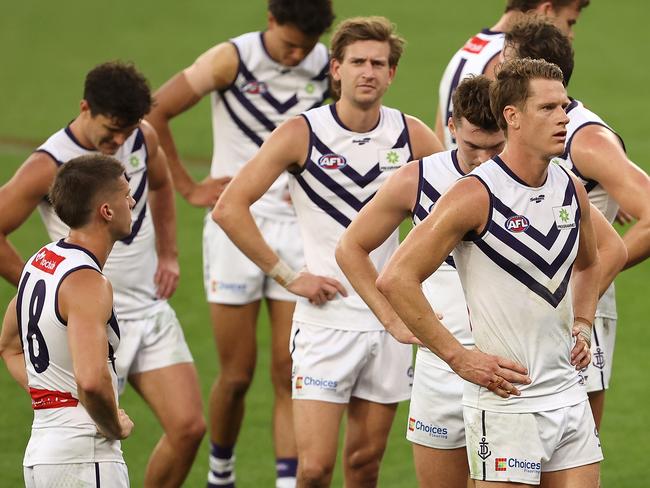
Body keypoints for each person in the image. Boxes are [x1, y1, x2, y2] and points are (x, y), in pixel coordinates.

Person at [213, 16, 443, 487]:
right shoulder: (302, 133)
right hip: (324, 325)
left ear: (392, 74)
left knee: (364, 465)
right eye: (358, 61)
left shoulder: (412, 136)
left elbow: (455, 213)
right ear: (335, 68)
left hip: (390, 326)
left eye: (379, 63)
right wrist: (288, 275)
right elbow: (229, 208)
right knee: (313, 469)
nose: (369, 71)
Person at [378, 58, 602, 486]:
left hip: (569, 397)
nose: (563, 118)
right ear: (513, 117)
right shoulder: (473, 195)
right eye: (548, 108)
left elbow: (590, 263)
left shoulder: (570, 187)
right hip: (506, 406)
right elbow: (396, 277)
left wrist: (584, 322)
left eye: (564, 106)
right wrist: (458, 357)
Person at [146, 2, 335, 485]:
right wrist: (188, 186)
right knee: (236, 375)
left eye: (307, 46)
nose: (298, 56)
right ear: (270, 21)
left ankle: (287, 480)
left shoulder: (325, 63)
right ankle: (221, 472)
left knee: (288, 368)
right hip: (234, 228)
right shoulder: (231, 59)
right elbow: (155, 110)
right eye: (290, 43)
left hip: (297, 233)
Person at [0, 62, 204, 488]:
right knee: (93, 426)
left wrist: (169, 253)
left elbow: (163, 186)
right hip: (84, 315)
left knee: (189, 427)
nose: (118, 142)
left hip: (145, 309)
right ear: (85, 108)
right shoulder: (49, 162)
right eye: (111, 130)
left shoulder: (142, 137)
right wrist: (41, 284)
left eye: (127, 130)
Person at [337, 75, 505, 487]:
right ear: (451, 127)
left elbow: (597, 252)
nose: (484, 160)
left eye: (495, 147)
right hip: (441, 366)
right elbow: (350, 248)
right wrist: (391, 320)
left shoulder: (535, 180)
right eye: (472, 147)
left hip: (510, 369)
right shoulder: (419, 179)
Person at [501, 17, 650, 431]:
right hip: (522, 311)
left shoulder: (584, 137)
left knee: (575, 452)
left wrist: (585, 286)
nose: (496, 67)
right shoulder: (523, 130)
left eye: (506, 59)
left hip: (577, 321)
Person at [0, 155, 135, 487]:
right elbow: (90, 380)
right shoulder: (89, 283)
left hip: (43, 455)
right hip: (85, 458)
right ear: (107, 211)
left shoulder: (41, 260)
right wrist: (114, 426)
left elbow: (9, 347)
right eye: (126, 194)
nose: (132, 201)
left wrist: (50, 396)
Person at [435, 0, 590, 149]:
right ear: (546, 11)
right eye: (569, 23)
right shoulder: (513, 57)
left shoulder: (471, 47)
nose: (570, 35)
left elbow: (441, 130)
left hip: (458, 167)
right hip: (486, 172)